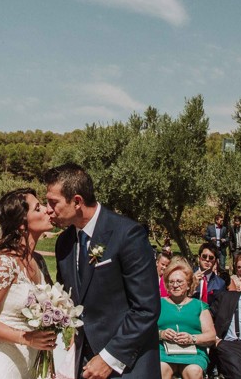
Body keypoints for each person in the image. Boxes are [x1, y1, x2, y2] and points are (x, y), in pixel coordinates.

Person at [44, 162, 160, 379]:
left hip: (128, 365)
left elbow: (146, 308)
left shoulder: (127, 234)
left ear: (77, 201)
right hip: (84, 364)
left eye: (53, 202)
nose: (48, 209)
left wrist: (109, 357)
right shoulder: (64, 243)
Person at [0, 188, 56, 379]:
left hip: (27, 366)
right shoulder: (5, 263)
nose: (48, 210)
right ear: (22, 225)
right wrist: (26, 338)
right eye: (38, 208)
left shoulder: (39, 262)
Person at [158, 256, 216, 379]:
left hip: (193, 353)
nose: (175, 285)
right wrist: (161, 334)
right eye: (171, 282)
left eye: (179, 281)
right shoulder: (158, 304)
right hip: (163, 351)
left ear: (189, 285)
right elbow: (146, 330)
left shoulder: (199, 306)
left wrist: (192, 338)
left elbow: (211, 336)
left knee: (194, 372)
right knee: (161, 369)